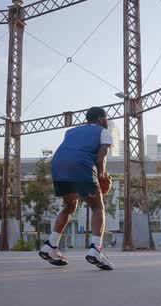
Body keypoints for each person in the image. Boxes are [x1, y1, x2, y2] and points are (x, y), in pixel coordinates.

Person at [38, 106, 114, 270]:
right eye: (105, 118)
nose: (106, 121)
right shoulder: (103, 131)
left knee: (70, 205)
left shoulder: (70, 132)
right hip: (81, 165)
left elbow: (71, 150)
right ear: (101, 118)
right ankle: (96, 249)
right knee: (97, 206)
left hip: (58, 165)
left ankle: (51, 244)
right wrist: (102, 175)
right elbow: (102, 155)